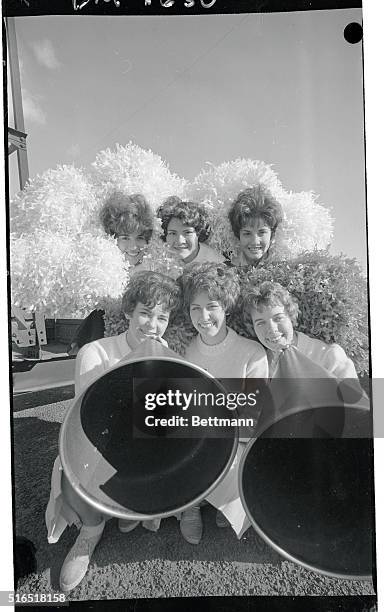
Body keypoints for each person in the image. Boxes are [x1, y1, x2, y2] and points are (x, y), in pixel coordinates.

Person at [46, 271, 181, 593]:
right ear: (128, 313)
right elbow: (91, 416)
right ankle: (90, 532)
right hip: (98, 443)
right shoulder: (95, 351)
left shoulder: (167, 353)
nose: (153, 325)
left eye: (162, 318)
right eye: (146, 314)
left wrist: (162, 366)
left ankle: (133, 504)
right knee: (79, 468)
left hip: (142, 443)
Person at [179, 262, 268, 544]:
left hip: (233, 440)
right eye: (195, 308)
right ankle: (190, 505)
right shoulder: (183, 351)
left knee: (237, 460)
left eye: (212, 306)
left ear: (226, 306)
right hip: (194, 437)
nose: (203, 317)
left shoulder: (252, 352)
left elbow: (252, 415)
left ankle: (222, 499)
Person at [69, 191, 155, 354]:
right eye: (125, 238)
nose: (133, 246)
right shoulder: (102, 272)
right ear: (112, 238)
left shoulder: (154, 269)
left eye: (140, 237)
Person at [243, 280, 359, 379]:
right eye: (260, 323)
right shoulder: (257, 364)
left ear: (291, 316)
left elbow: (353, 401)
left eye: (278, 318)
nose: (271, 329)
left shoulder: (328, 355)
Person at [157, 196, 225, 266]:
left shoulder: (216, 265)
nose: (180, 241)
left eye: (187, 232)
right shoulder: (158, 255)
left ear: (198, 233)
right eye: (173, 233)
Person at [227, 185, 283, 268]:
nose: (255, 241)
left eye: (262, 232)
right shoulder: (224, 271)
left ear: (272, 234)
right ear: (238, 235)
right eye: (247, 233)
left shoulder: (282, 268)